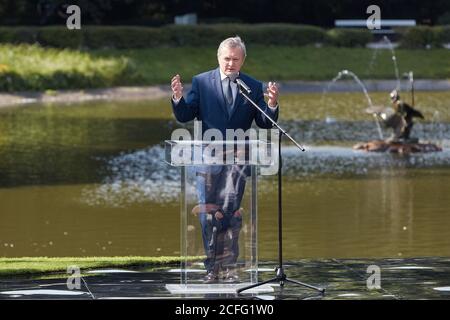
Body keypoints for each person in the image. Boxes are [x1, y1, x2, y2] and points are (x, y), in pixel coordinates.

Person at [170, 36, 279, 283]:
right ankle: (212, 268)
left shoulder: (251, 85)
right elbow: (186, 114)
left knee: (230, 213)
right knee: (208, 213)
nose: (230, 64)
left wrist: (271, 104)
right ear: (219, 58)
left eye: (235, 59)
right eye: (227, 58)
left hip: (238, 161)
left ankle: (229, 268)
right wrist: (178, 99)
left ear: (243, 60)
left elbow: (264, 121)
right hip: (208, 159)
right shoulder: (201, 82)